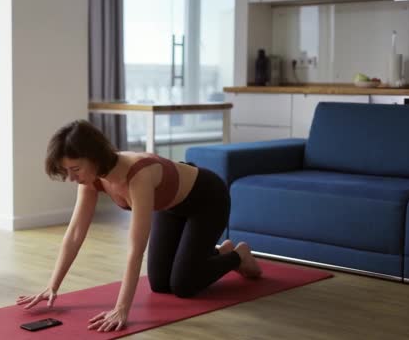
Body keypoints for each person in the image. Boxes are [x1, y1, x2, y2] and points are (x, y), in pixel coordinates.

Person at [16, 120, 262, 332]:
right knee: (160, 283)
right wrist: (52, 286)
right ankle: (216, 253)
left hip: (207, 199)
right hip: (170, 206)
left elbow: (135, 248)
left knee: (183, 285)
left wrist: (122, 309)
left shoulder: (138, 174)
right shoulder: (91, 180)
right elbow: (74, 235)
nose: (71, 177)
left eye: (75, 169)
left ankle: (237, 256)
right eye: (66, 171)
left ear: (93, 157)